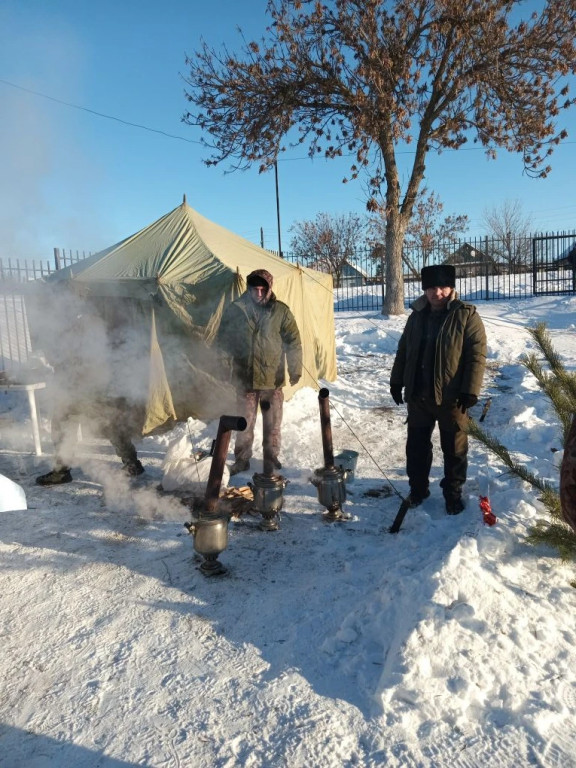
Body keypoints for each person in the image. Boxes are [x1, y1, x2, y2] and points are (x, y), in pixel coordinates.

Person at [389, 264, 487, 514]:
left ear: (451, 288)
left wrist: (470, 390)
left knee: (454, 449)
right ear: (425, 289)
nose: (437, 293)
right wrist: (397, 380)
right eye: (431, 287)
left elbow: (476, 355)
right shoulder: (416, 316)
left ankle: (453, 494)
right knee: (417, 447)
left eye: (443, 287)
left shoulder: (466, 316)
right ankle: (418, 489)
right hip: (419, 396)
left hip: (451, 398)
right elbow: (404, 351)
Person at [35, 299, 145, 486]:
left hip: (89, 385)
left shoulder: (82, 324)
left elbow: (69, 358)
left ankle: (61, 471)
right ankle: (132, 463)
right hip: (97, 384)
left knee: (64, 421)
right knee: (111, 423)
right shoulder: (93, 321)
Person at [218, 269, 302, 475]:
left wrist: (295, 369)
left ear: (269, 289)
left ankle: (271, 456)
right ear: (249, 288)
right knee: (244, 422)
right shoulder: (236, 309)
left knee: (273, 424)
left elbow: (293, 341)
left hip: (272, 379)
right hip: (245, 378)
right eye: (254, 289)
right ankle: (242, 459)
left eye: (262, 289)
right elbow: (224, 341)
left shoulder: (280, 311)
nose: (258, 293)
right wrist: (224, 367)